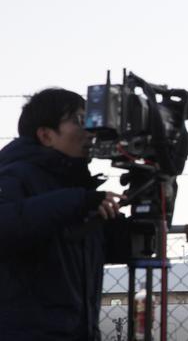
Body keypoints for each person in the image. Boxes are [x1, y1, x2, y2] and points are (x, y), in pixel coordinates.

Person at [0, 88, 124, 340]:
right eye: (79, 121)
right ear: (46, 135)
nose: (90, 131)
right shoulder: (15, 176)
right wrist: (79, 201)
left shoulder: (78, 191)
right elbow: (7, 224)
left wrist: (159, 186)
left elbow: (122, 249)